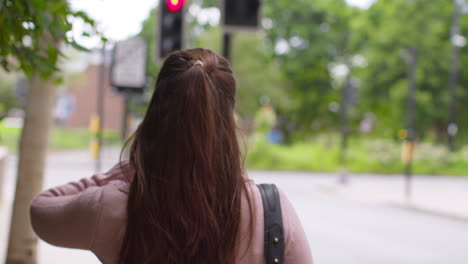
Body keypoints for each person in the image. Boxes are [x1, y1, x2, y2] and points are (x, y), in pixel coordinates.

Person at [30, 48, 313, 264]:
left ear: (154, 119)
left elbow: (42, 211)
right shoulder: (270, 211)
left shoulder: (112, 206)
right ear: (229, 123)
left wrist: (117, 174)